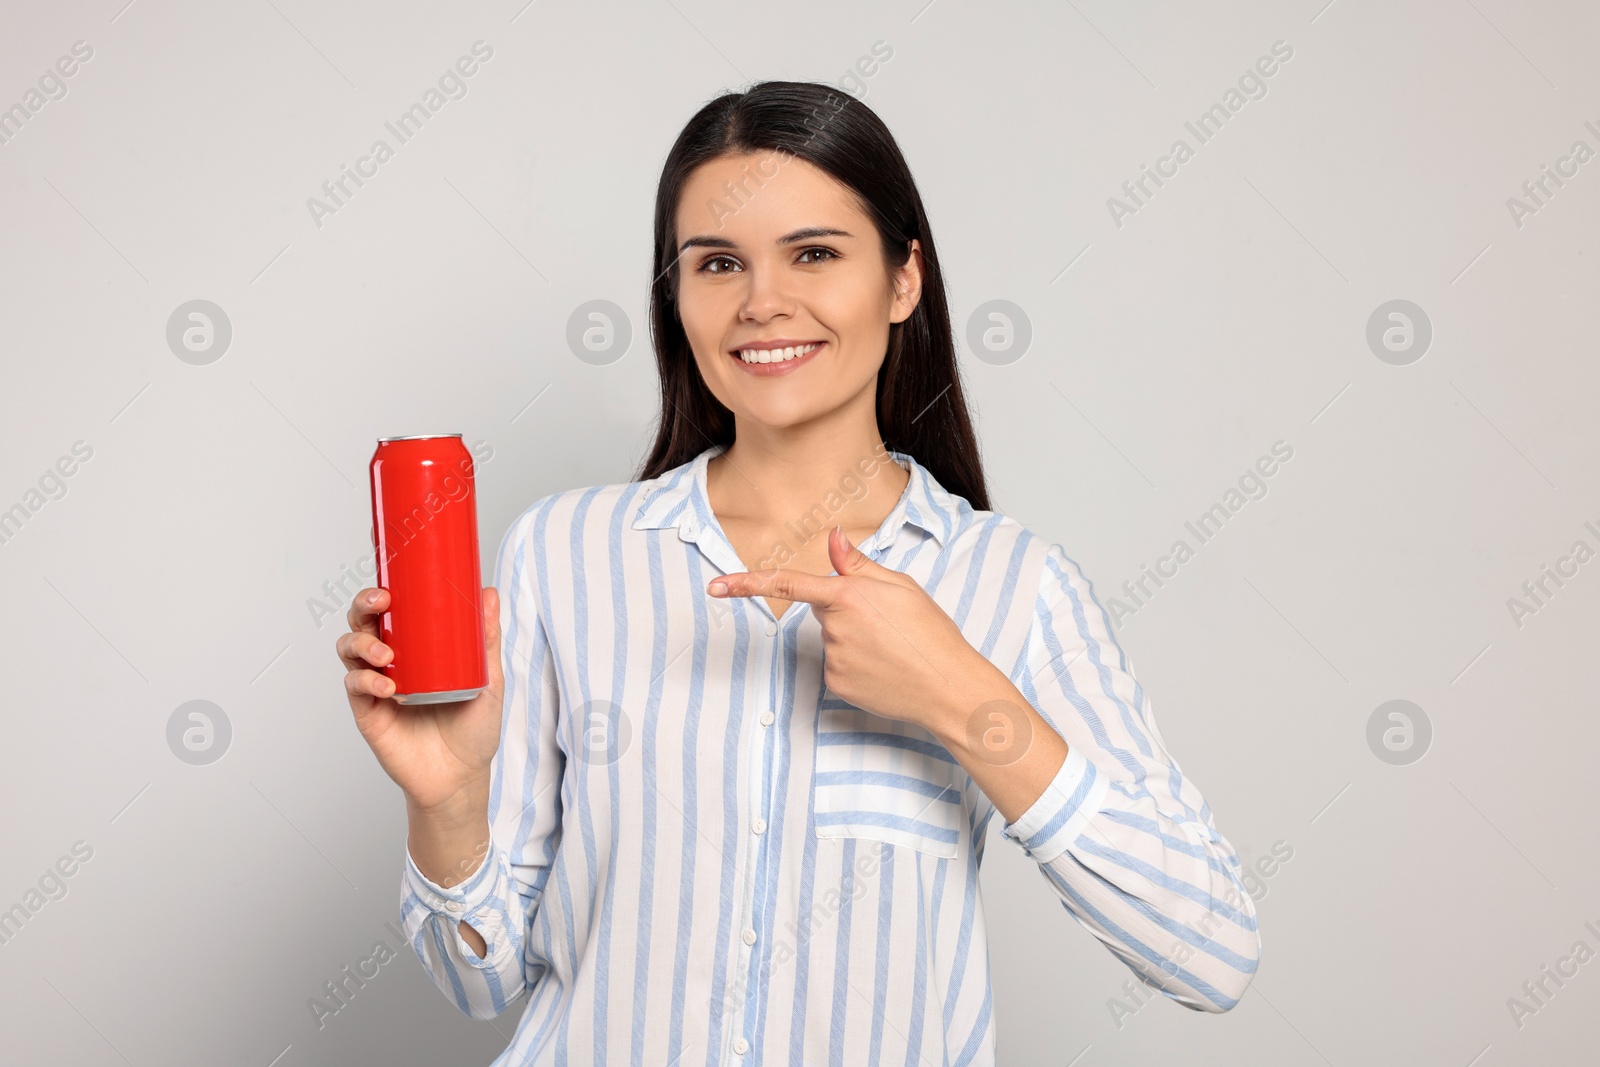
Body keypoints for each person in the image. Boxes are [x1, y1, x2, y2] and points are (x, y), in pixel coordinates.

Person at [337, 80, 1260, 1066]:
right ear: (676, 296)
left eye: (814, 253)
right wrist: (447, 801)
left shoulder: (1016, 584)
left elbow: (1210, 949)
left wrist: (963, 697)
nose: (761, 301)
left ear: (904, 278)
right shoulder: (564, 555)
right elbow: (478, 979)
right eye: (717, 262)